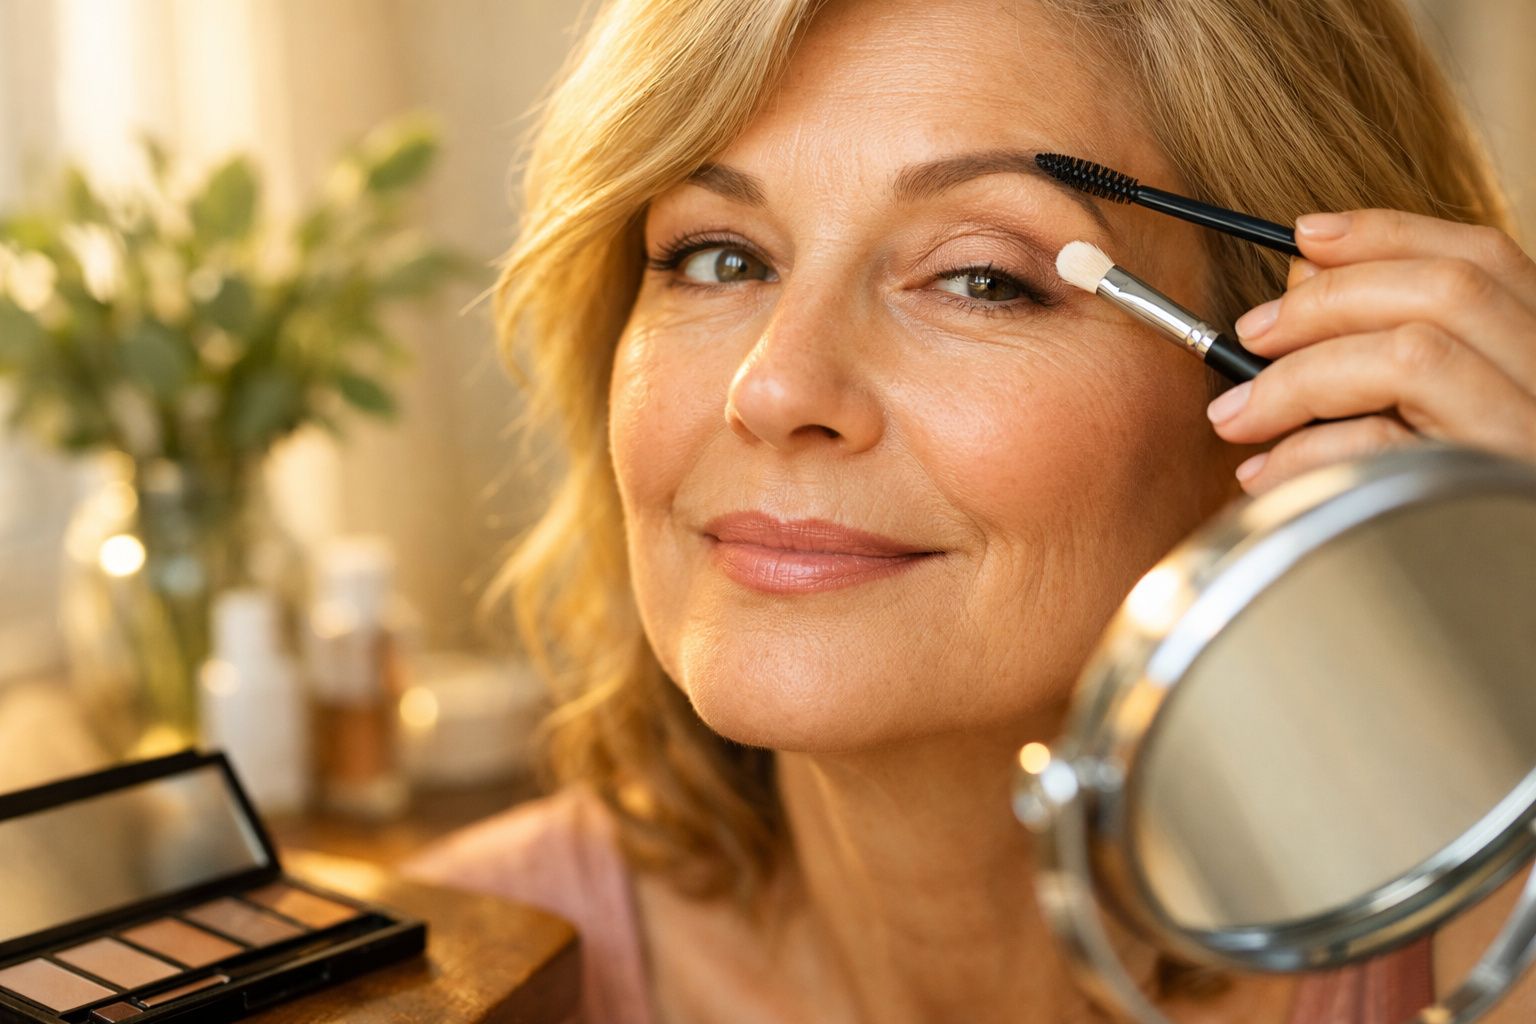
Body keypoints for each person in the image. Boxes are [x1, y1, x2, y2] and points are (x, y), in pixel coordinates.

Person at [406, 0, 1536, 1020]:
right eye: (717, 257)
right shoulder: (452, 969)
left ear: (1310, 390)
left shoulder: (1490, 944)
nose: (778, 387)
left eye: (983, 277)